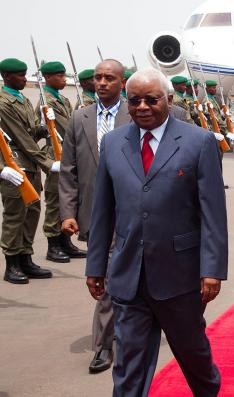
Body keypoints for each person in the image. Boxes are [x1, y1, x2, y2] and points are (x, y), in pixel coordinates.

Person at [85, 68, 228, 396]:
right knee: (128, 366)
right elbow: (103, 211)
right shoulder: (113, 142)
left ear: (169, 99)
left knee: (194, 357)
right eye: (134, 100)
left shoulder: (199, 141)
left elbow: (213, 213)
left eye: (152, 99)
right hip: (128, 279)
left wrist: (212, 270)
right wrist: (95, 266)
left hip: (181, 279)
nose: (143, 107)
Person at [59, 59, 132, 373]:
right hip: (94, 211)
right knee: (103, 275)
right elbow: (68, 169)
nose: (101, 83)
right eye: (98, 78)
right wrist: (67, 212)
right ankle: (113, 339)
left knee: (115, 276)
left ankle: (106, 345)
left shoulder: (137, 114)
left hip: (130, 210)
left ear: (122, 83)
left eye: (108, 78)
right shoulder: (79, 118)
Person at [0, 58, 59, 284]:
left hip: (29, 164)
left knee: (32, 211)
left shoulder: (22, 99)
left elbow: (30, 132)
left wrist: (43, 127)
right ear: (7, 77)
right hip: (14, 164)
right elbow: (22, 139)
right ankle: (12, 263)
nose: (26, 79)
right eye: (21, 75)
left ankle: (26, 258)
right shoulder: (4, 103)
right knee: (15, 215)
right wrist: (47, 162)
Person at [36, 61, 86, 263]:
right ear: (47, 78)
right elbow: (54, 126)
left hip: (68, 151)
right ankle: (53, 246)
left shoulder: (63, 99)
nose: (64, 79)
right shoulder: (45, 99)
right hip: (54, 151)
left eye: (64, 75)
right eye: (59, 75)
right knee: (55, 200)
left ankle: (65, 242)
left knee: (68, 199)